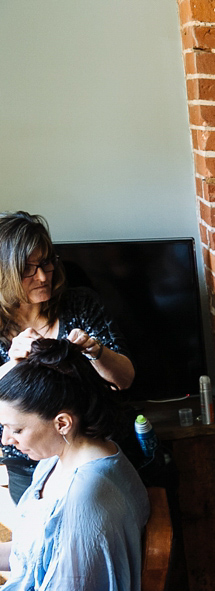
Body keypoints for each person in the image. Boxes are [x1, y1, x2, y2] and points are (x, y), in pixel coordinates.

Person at [0, 338, 161, 591]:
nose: (6, 440)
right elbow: (34, 547)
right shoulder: (59, 457)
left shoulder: (89, 492)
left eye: (17, 429)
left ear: (61, 422)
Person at [0, 212, 135, 502]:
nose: (43, 275)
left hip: (94, 448)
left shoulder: (81, 304)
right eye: (28, 268)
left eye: (47, 262)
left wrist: (96, 351)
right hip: (28, 459)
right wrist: (11, 365)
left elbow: (124, 380)